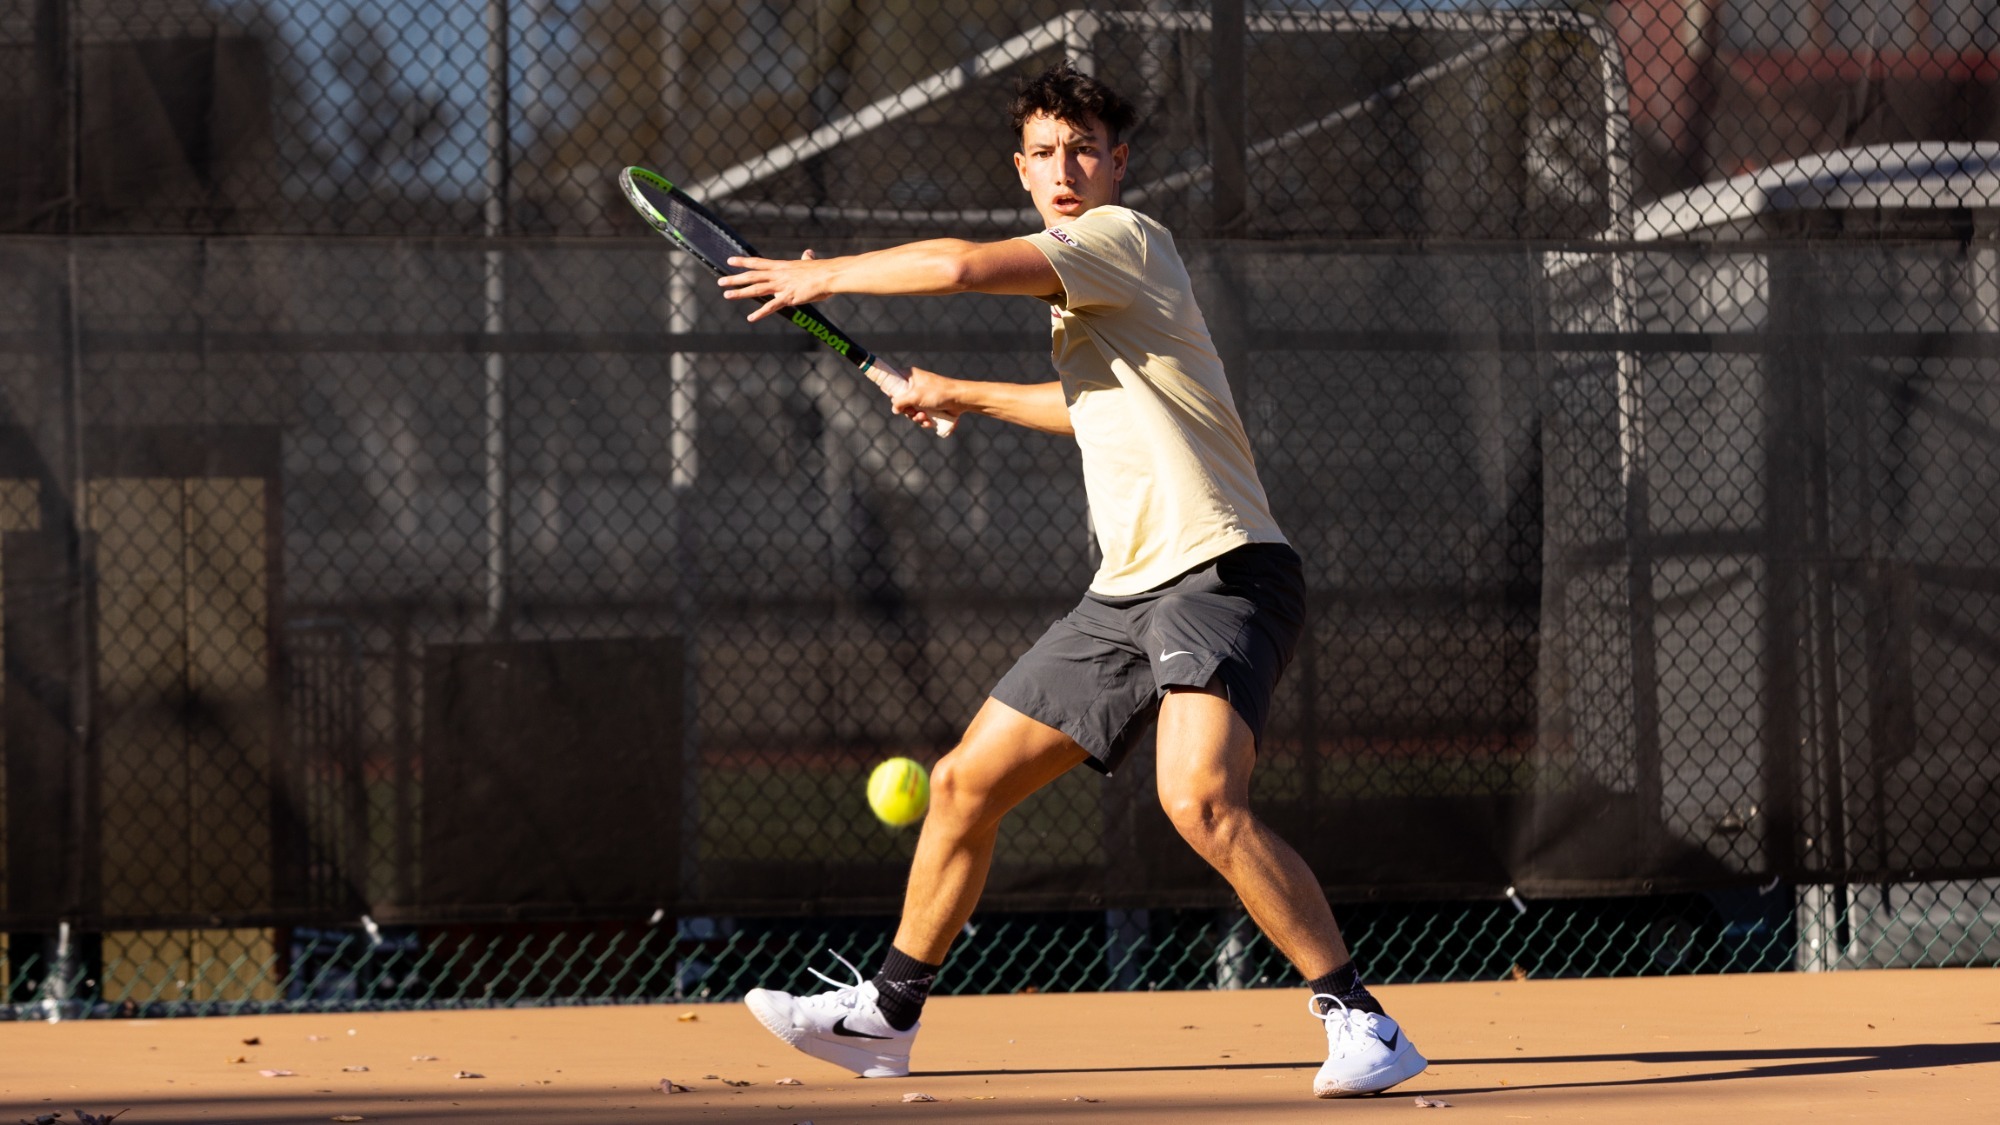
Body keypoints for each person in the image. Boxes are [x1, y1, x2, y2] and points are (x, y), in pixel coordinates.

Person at [717, 61, 1427, 1100]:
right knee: (963, 784)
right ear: (1021, 166)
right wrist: (957, 390)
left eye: (1083, 150)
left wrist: (821, 278)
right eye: (1044, 154)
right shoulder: (1092, 303)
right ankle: (885, 1014)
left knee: (1200, 802)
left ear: (1117, 163)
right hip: (1125, 592)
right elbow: (1089, 408)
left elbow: (959, 268)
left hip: (1219, 572)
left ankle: (1359, 1019)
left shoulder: (1123, 239)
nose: (1065, 170)